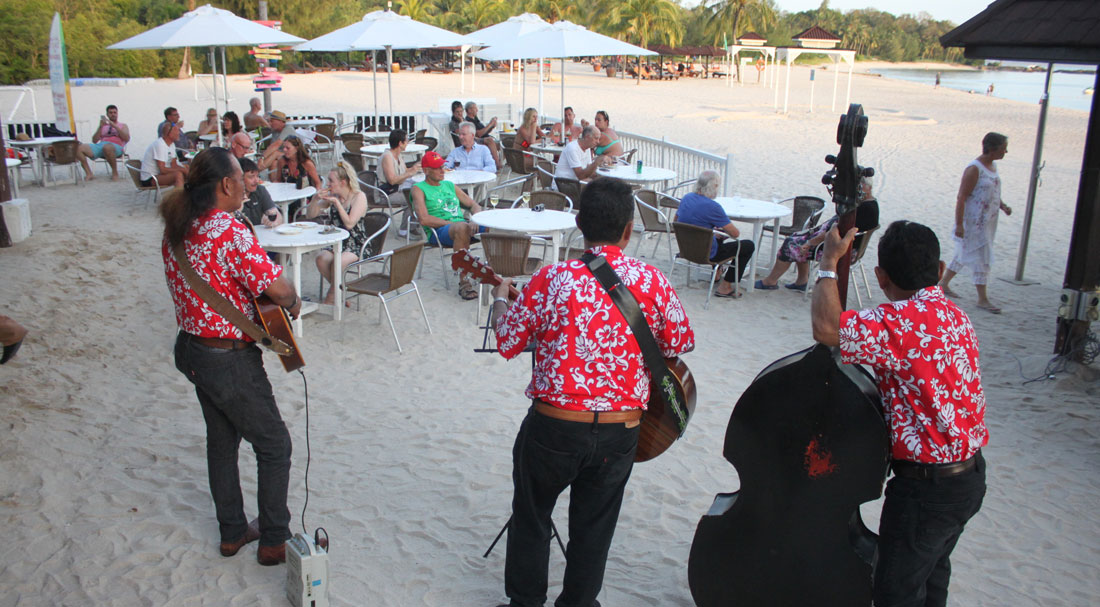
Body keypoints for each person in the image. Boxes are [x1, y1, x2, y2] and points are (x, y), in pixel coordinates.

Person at [490, 177, 695, 607]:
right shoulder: (653, 280)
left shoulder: (553, 277)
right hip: (622, 430)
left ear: (580, 223)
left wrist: (500, 300)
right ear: (627, 231)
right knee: (594, 527)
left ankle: (525, 602)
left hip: (554, 427)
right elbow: (679, 343)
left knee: (532, 516)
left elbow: (509, 341)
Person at [811, 220, 987, 607]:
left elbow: (827, 328)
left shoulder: (899, 323)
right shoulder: (957, 316)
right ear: (939, 270)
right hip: (970, 476)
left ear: (881, 276)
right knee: (931, 577)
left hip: (928, 489)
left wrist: (828, 263)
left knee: (896, 591)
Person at [160, 147, 300, 566]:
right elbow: (278, 290)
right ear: (225, 184)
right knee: (275, 444)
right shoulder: (231, 230)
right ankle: (274, 538)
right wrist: (292, 299)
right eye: (243, 178)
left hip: (192, 350)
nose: (247, 186)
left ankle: (232, 531)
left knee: (221, 442)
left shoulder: (178, 227)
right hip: (228, 357)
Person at [755, 177, 880, 291]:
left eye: (857, 187)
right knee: (796, 238)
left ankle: (770, 281)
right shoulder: (869, 204)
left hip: (840, 250)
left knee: (791, 244)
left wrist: (811, 242)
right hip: (844, 246)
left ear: (866, 188)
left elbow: (837, 232)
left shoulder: (864, 209)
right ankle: (802, 281)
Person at [938, 132, 1013, 314]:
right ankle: (982, 298)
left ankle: (943, 284)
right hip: (974, 221)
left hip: (988, 220)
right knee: (982, 257)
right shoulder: (974, 169)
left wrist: (1002, 206)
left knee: (964, 252)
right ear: (992, 149)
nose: (1006, 152)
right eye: (1003, 148)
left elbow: (992, 190)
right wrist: (960, 225)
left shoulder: (992, 166)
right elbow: (962, 197)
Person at [410, 151, 483, 300]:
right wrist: (453, 223)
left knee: (495, 226)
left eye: (442, 166)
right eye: (437, 168)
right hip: (439, 231)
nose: (442, 170)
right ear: (426, 170)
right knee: (461, 228)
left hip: (462, 226)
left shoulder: (449, 185)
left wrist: (474, 219)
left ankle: (502, 275)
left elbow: (474, 205)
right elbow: (424, 219)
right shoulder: (418, 188)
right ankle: (464, 282)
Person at [675, 170, 756, 298]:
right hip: (707, 254)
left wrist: (713, 232)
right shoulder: (713, 207)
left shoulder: (686, 198)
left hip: (686, 249)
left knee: (719, 233)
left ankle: (717, 273)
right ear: (715, 187)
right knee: (748, 246)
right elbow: (735, 233)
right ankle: (725, 286)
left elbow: (676, 222)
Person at [304, 161, 369, 305]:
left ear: (343, 182)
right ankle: (340, 292)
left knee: (339, 261)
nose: (328, 184)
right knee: (321, 258)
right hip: (337, 241)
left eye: (331, 181)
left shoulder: (359, 197)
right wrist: (315, 200)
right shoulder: (333, 197)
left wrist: (337, 204)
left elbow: (350, 223)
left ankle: (332, 295)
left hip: (356, 243)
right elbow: (310, 215)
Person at [376, 129, 421, 236]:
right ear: (400, 143)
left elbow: (405, 172)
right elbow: (392, 180)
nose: (408, 142)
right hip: (386, 193)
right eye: (407, 140)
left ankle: (413, 224)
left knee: (421, 191)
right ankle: (405, 229)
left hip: (397, 189)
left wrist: (417, 168)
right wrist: (411, 172)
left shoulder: (399, 155)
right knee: (414, 197)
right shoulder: (388, 156)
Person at [77, 104, 130, 181]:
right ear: (107, 114)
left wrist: (115, 126)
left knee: (107, 147)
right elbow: (94, 140)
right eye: (111, 113)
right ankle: (89, 173)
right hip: (101, 145)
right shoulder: (103, 126)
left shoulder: (123, 125)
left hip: (116, 147)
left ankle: (115, 173)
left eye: (115, 112)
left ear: (117, 114)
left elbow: (126, 138)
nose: (113, 114)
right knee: (79, 148)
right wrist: (100, 127)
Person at [237, 157, 283, 228]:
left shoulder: (260, 190)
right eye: (251, 177)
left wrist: (274, 221)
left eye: (257, 176)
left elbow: (276, 214)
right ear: (240, 178)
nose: (257, 180)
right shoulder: (232, 197)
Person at [140, 122, 189, 188]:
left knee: (187, 168)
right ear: (170, 134)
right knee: (178, 175)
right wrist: (182, 170)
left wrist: (185, 169)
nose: (179, 134)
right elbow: (162, 170)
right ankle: (179, 197)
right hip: (150, 178)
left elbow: (174, 165)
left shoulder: (172, 144)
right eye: (177, 131)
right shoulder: (160, 145)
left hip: (160, 175)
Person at [464, 101, 502, 169]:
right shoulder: (468, 121)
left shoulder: (476, 120)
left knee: (502, 143)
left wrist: (492, 126)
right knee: (490, 140)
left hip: (485, 138)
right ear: (469, 110)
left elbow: (485, 131)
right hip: (477, 140)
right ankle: (497, 164)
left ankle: (504, 163)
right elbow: (479, 134)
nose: (477, 110)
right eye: (475, 109)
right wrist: (490, 124)